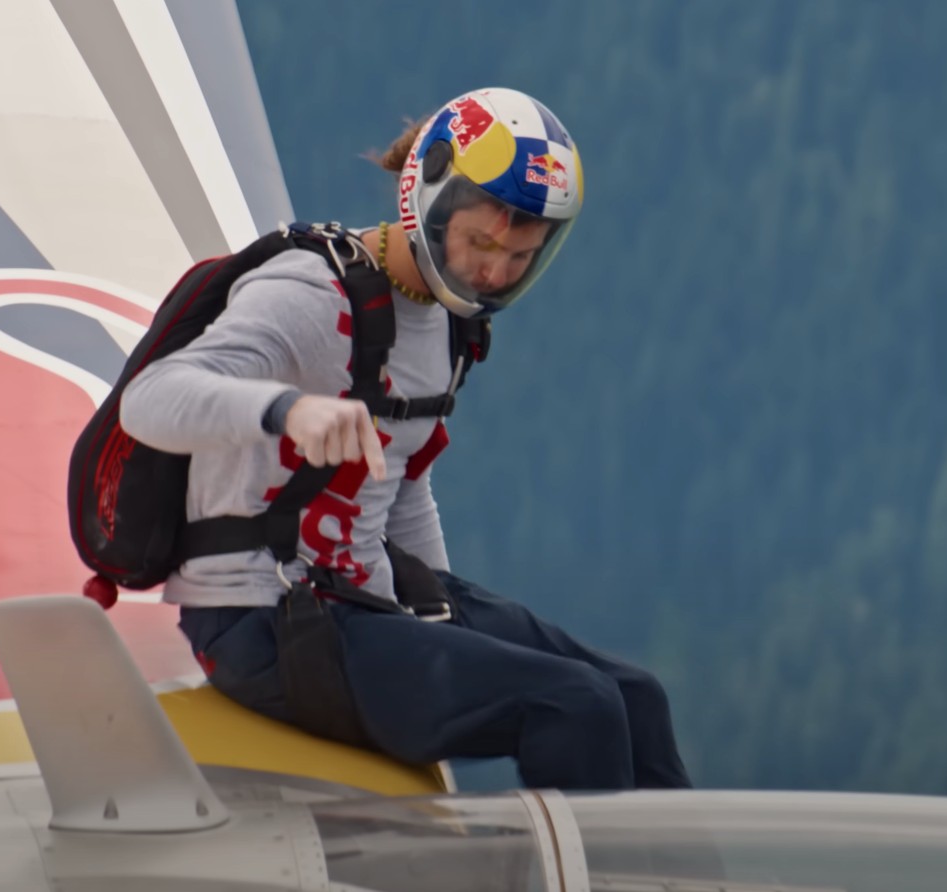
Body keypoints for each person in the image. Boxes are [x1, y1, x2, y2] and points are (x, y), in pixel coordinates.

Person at [119, 88, 690, 791]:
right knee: (575, 705)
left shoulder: (448, 319)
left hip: (358, 598)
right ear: (431, 201)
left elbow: (398, 480)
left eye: (520, 256)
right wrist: (285, 411)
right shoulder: (309, 293)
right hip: (263, 621)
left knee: (637, 700)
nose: (495, 272)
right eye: (481, 243)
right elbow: (147, 402)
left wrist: (440, 626)